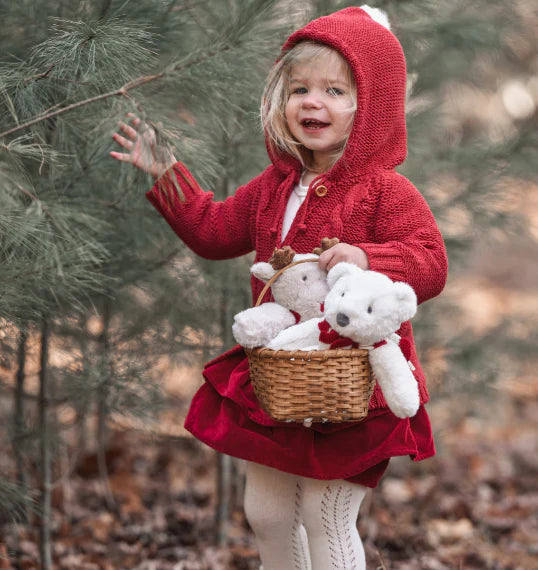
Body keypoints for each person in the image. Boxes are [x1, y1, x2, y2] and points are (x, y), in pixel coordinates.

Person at [111, 6, 447, 569]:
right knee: (266, 512)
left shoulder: (386, 191)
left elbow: (430, 263)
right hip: (281, 375)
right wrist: (168, 175)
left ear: (373, 109)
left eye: (336, 91)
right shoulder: (276, 186)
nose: (311, 102)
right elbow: (215, 232)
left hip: (352, 385)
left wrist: (369, 257)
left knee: (326, 513)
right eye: (298, 89)